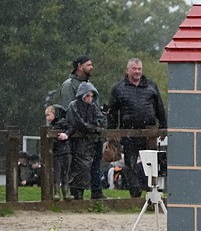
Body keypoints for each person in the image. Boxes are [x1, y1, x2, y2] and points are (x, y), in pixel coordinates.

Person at [109, 58, 167, 198]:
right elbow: (113, 112)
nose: (137, 72)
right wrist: (111, 131)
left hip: (149, 131)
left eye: (139, 69)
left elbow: (160, 108)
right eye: (134, 69)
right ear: (128, 70)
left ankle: (153, 194)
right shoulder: (118, 88)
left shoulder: (151, 86)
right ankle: (135, 193)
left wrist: (164, 126)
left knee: (152, 164)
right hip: (129, 132)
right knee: (130, 164)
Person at [59, 54, 106, 199]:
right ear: (79, 66)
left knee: (96, 163)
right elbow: (69, 111)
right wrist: (86, 126)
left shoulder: (90, 85)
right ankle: (77, 194)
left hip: (93, 134)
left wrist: (98, 124)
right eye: (88, 65)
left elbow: (95, 110)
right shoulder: (69, 85)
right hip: (79, 134)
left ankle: (96, 192)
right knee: (80, 165)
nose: (92, 67)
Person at [67, 82, 104, 200]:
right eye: (87, 95)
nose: (90, 98)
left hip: (91, 143)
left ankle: (90, 193)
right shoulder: (74, 105)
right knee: (79, 168)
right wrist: (94, 128)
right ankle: (76, 194)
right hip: (77, 143)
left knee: (91, 167)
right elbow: (79, 124)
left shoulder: (93, 106)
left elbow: (101, 121)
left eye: (92, 96)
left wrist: (94, 128)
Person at [45, 104, 72, 201]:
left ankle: (63, 192)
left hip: (62, 151)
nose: (47, 118)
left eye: (48, 115)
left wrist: (66, 134)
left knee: (63, 173)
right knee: (59, 173)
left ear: (54, 114)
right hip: (60, 152)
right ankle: (59, 192)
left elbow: (71, 128)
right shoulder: (53, 126)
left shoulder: (62, 122)